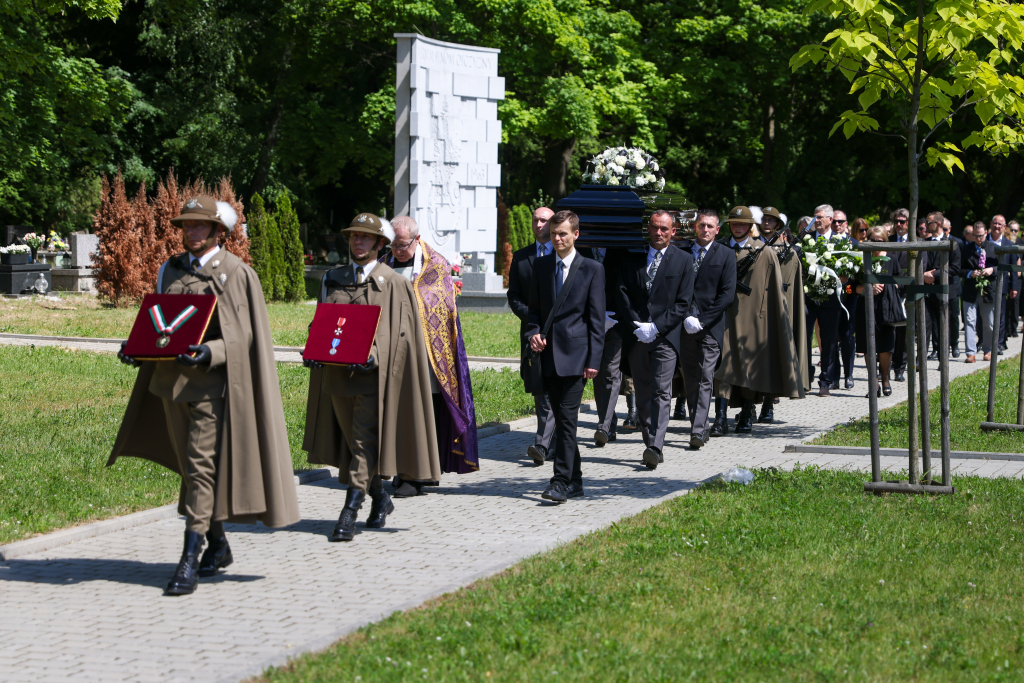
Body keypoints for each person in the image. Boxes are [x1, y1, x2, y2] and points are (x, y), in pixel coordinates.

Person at [112, 195, 301, 596]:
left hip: (212, 388)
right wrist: (137, 345)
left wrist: (210, 352)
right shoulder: (171, 269)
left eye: (199, 226)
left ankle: (188, 558)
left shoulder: (235, 273)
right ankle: (218, 544)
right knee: (192, 471)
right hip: (170, 387)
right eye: (186, 226)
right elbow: (161, 321)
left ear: (219, 231)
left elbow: (243, 334)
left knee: (200, 469)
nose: (191, 232)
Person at [303, 213, 441, 541]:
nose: (358, 242)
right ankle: (380, 497)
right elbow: (322, 321)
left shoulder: (393, 283)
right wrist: (313, 347)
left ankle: (349, 510)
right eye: (354, 237)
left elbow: (403, 336)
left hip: (373, 380)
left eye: (365, 238)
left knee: (364, 441)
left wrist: (375, 356)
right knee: (354, 446)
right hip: (337, 377)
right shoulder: (333, 279)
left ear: (380, 244)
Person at [381, 216, 479, 495]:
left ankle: (420, 474)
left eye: (402, 245)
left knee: (425, 410)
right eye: (393, 244)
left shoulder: (434, 265)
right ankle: (404, 470)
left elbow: (440, 305)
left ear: (417, 238)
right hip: (393, 351)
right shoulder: (385, 263)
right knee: (397, 411)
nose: (397, 250)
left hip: (428, 354)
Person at [525, 210, 604, 503]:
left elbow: (596, 321)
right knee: (561, 419)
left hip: (577, 358)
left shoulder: (592, 269)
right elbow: (534, 309)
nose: (556, 238)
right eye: (554, 233)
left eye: (563, 234)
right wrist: (532, 332)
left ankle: (559, 482)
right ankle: (577, 480)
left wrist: (594, 361)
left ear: (575, 235)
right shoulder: (542, 266)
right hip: (547, 358)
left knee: (567, 423)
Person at [712, 206, 803, 435]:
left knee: (749, 368)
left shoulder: (764, 251)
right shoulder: (719, 248)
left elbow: (774, 291)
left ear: (750, 226)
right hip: (723, 317)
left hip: (753, 318)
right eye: (734, 223)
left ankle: (746, 412)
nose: (738, 227)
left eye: (742, 223)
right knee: (722, 366)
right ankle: (720, 417)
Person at [615, 210, 695, 467]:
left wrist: (657, 327)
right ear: (648, 229)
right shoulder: (632, 258)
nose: (659, 233)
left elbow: (683, 304)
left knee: (662, 391)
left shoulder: (683, 260)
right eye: (654, 227)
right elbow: (622, 293)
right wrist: (635, 325)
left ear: (673, 232)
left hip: (665, 337)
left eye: (664, 229)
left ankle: (655, 445)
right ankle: (649, 438)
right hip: (637, 335)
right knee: (644, 391)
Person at [679, 209, 736, 446]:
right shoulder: (680, 252)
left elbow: (727, 295)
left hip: (710, 326)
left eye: (710, 226)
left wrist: (702, 320)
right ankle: (697, 422)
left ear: (717, 230)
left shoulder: (725, 254)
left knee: (705, 376)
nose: (705, 230)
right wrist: (684, 317)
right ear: (695, 226)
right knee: (690, 377)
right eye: (702, 225)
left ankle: (698, 429)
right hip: (682, 325)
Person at [507, 207, 559, 465]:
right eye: (536, 220)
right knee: (539, 385)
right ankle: (549, 440)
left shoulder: (564, 254)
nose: (539, 224)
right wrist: (533, 319)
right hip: (532, 332)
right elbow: (513, 296)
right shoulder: (521, 257)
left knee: (556, 385)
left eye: (544, 220)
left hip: (559, 332)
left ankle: (544, 442)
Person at [760, 206, 809, 421]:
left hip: (775, 306)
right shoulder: (750, 244)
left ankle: (768, 403)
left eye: (772, 220)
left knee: (772, 356)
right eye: (764, 219)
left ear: (778, 224)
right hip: (754, 306)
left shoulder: (790, 250)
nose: (767, 223)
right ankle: (749, 406)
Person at [591, 246, 634, 446]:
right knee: (597, 374)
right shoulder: (581, 249)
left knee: (610, 372)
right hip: (588, 322)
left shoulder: (620, 250)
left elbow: (626, 287)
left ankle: (604, 426)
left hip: (616, 322)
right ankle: (609, 423)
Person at [855, 226, 904, 396]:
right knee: (869, 346)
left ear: (885, 241)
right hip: (866, 308)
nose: (876, 243)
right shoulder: (862, 258)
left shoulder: (891, 258)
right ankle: (873, 382)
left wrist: (891, 285)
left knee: (886, 346)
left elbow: (901, 280)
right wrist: (867, 288)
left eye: (879, 240)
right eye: (873, 240)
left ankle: (885, 378)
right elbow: (851, 288)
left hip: (887, 308)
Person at [803, 204, 844, 396]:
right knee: (803, 337)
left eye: (820, 217)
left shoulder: (839, 242)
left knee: (828, 340)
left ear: (830, 219)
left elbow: (846, 269)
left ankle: (826, 380)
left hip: (830, 299)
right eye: (815, 217)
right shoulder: (807, 239)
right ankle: (804, 378)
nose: (816, 220)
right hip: (808, 297)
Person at [921, 211, 961, 360]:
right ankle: (924, 355)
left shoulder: (952, 244)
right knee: (926, 325)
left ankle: (944, 356)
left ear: (938, 224)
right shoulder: (924, 243)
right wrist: (924, 276)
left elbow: (956, 268)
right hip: (926, 291)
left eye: (928, 222)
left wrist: (934, 275)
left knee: (945, 325)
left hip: (944, 291)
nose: (925, 225)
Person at [962, 222, 998, 362]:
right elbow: (959, 269)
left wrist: (992, 270)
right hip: (970, 290)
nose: (978, 239)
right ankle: (971, 353)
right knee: (970, 321)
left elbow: (1002, 267)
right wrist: (970, 273)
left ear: (986, 233)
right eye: (976, 236)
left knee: (988, 322)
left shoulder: (994, 248)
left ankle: (988, 350)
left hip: (988, 290)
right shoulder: (966, 249)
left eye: (981, 236)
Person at [831, 209, 858, 389]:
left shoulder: (854, 244)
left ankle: (849, 374)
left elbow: (861, 270)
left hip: (849, 298)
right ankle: (834, 377)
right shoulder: (824, 243)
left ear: (847, 224)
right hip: (830, 298)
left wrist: (848, 279)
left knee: (847, 338)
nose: (837, 225)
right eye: (834, 221)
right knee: (831, 338)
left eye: (840, 221)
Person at [889, 208, 911, 381]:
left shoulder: (914, 242)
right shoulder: (888, 241)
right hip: (888, 292)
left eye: (902, 221)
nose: (899, 224)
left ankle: (900, 367)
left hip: (907, 292)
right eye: (897, 221)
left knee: (903, 332)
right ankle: (886, 363)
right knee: (889, 330)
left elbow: (921, 265)